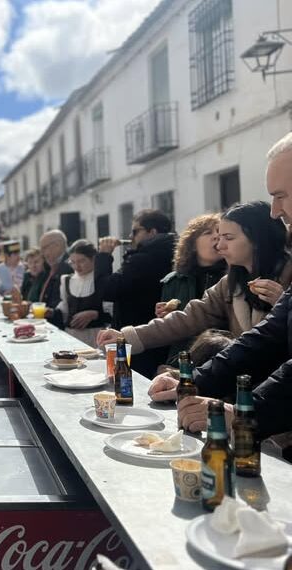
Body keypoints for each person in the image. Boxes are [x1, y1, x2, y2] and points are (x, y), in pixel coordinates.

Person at [148, 133, 292, 441]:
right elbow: (265, 337)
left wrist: (244, 414)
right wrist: (193, 382)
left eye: (282, 196)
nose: (275, 211)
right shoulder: (231, 282)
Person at [98, 202, 291, 369]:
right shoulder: (229, 284)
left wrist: (285, 306)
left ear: (257, 239)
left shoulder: (287, 277)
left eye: (228, 238)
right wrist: (127, 336)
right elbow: (187, 319)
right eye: (218, 236)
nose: (220, 245)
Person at [97, 209, 176, 376]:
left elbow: (107, 289)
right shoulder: (173, 253)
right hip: (159, 337)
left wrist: (104, 256)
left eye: (135, 231)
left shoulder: (143, 259)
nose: (131, 237)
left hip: (137, 340)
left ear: (152, 232)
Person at [155, 213, 226, 364]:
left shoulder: (233, 277)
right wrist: (165, 315)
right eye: (208, 233)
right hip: (181, 361)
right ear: (192, 245)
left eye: (220, 232)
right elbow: (168, 331)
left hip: (218, 359)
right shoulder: (174, 281)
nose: (216, 236)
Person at [51, 239, 111, 346]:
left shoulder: (101, 280)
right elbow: (64, 311)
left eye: (81, 261)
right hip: (72, 338)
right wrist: (50, 312)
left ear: (93, 259)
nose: (76, 267)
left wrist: (95, 314)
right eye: (73, 262)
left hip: (96, 338)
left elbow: (113, 313)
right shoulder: (66, 280)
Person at [37, 229, 73, 309]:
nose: (42, 253)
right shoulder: (48, 266)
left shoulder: (70, 266)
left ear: (57, 245)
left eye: (44, 248)